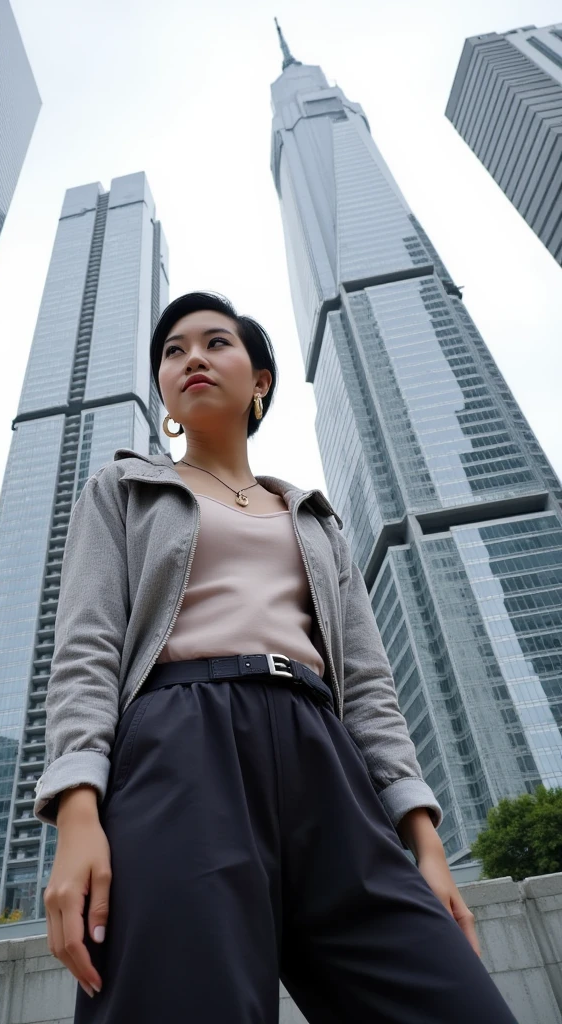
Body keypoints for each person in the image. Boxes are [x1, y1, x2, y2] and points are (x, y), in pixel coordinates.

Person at [33, 292, 519, 1023]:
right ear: (164, 389)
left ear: (259, 380)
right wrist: (78, 814)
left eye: (215, 342)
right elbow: (86, 649)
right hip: (180, 749)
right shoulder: (125, 489)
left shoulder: (316, 519)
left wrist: (426, 844)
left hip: (326, 755)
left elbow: (372, 687)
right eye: (172, 351)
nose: (191, 356)